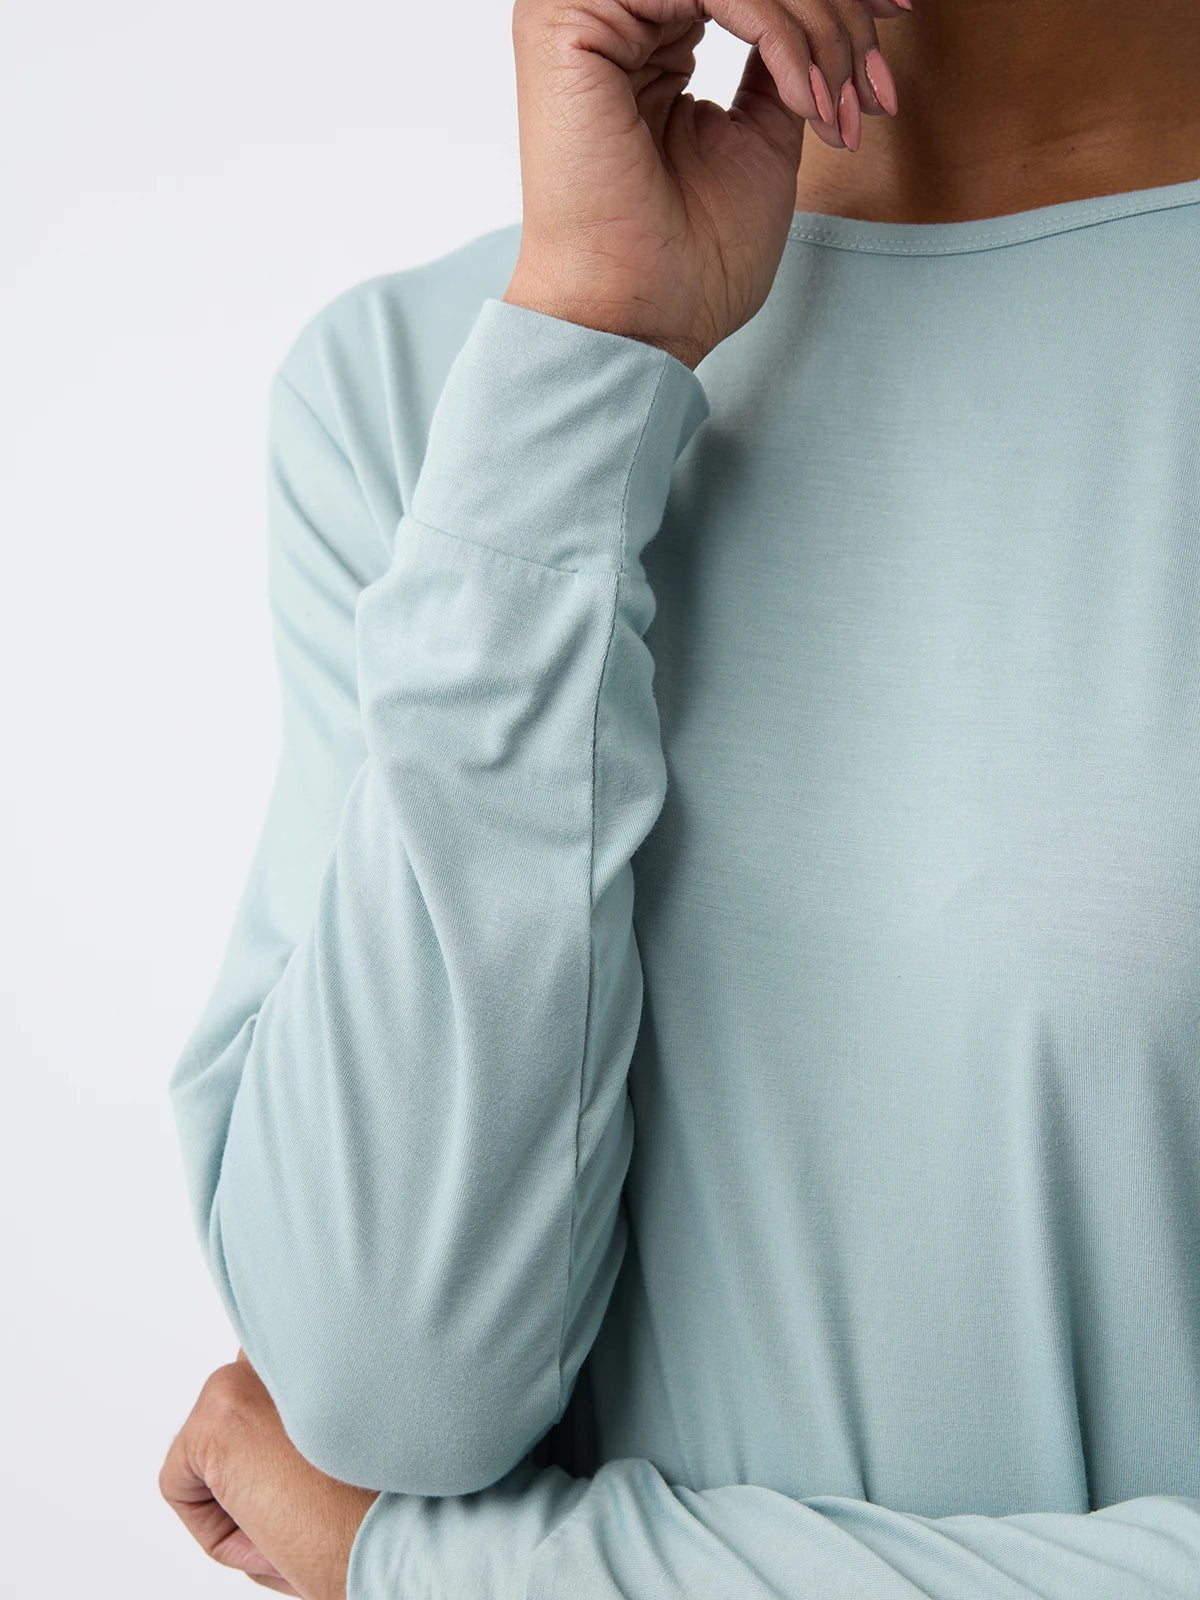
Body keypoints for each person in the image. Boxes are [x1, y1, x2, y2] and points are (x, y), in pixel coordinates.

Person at [159, 2, 1200, 1595]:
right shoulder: (441, 378)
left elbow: (380, 1514)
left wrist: (456, 1577)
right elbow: (386, 1387)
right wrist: (586, 349)